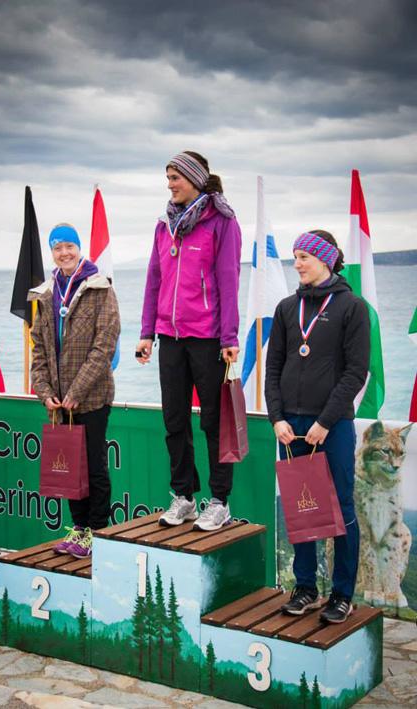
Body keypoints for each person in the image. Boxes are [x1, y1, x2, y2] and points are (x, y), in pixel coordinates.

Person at [265, 229, 370, 623]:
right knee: (301, 507)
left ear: (324, 259)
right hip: (291, 426)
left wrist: (326, 421)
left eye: (303, 257)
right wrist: (277, 417)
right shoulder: (286, 308)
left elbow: (356, 372)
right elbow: (273, 368)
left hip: (333, 425)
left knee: (341, 507)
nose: (297, 264)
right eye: (294, 257)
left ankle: (341, 594)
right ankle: (306, 588)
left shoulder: (352, 307)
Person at [136, 151, 242, 531]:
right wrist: (147, 332)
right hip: (170, 337)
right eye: (167, 178)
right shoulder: (164, 226)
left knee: (214, 423)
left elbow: (229, 281)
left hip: (208, 338)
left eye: (175, 177)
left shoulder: (222, 222)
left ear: (195, 179)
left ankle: (220, 501)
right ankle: (184, 497)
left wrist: (230, 336)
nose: (170, 185)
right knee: (174, 420)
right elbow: (154, 280)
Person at [29, 223, 120, 558]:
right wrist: (45, 392)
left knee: (94, 467)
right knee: (69, 467)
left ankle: (96, 532)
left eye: (69, 246)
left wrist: (77, 391)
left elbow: (104, 347)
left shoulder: (100, 288)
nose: (64, 253)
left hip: (92, 397)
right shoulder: (46, 293)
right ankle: (79, 528)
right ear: (52, 253)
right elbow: (39, 348)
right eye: (57, 248)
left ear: (79, 248)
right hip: (59, 402)